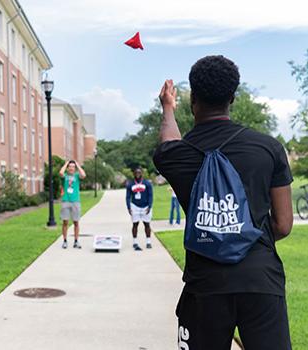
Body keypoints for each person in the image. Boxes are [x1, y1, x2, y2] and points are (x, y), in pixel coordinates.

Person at [152, 55, 294, 350]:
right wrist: (241, 234)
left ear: (193, 100)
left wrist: (167, 108)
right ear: (232, 97)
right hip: (261, 280)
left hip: (205, 286)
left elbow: (169, 141)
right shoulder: (268, 148)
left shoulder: (177, 155)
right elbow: (283, 224)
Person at [59, 160, 86, 249]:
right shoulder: (65, 176)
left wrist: (77, 165)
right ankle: (65, 241)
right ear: (67, 168)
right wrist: (66, 163)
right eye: (70, 166)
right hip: (66, 201)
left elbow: (84, 175)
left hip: (75, 201)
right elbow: (61, 172)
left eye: (73, 167)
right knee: (65, 222)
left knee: (76, 222)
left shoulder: (77, 176)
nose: (71, 168)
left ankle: (76, 241)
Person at [126, 168, 154, 251]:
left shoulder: (147, 183)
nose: (137, 174)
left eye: (139, 172)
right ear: (134, 174)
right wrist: (128, 207)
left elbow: (150, 195)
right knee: (135, 224)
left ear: (142, 173)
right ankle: (135, 242)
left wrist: (149, 206)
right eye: (136, 172)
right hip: (135, 206)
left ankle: (148, 242)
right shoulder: (130, 184)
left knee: (147, 224)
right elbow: (128, 197)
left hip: (145, 206)